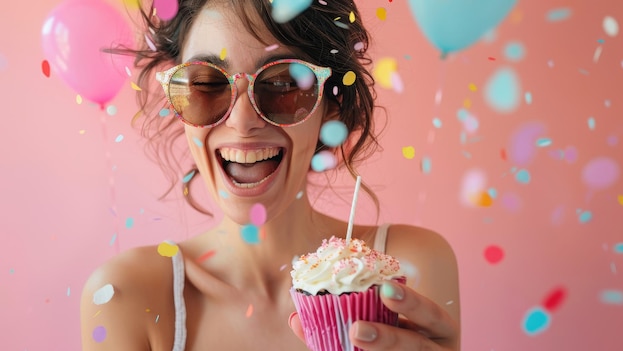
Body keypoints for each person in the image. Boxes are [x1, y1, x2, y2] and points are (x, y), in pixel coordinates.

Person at [80, 0, 461, 350]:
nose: (243, 122)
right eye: (207, 83)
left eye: (282, 83)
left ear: (332, 104)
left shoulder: (407, 269)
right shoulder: (126, 296)